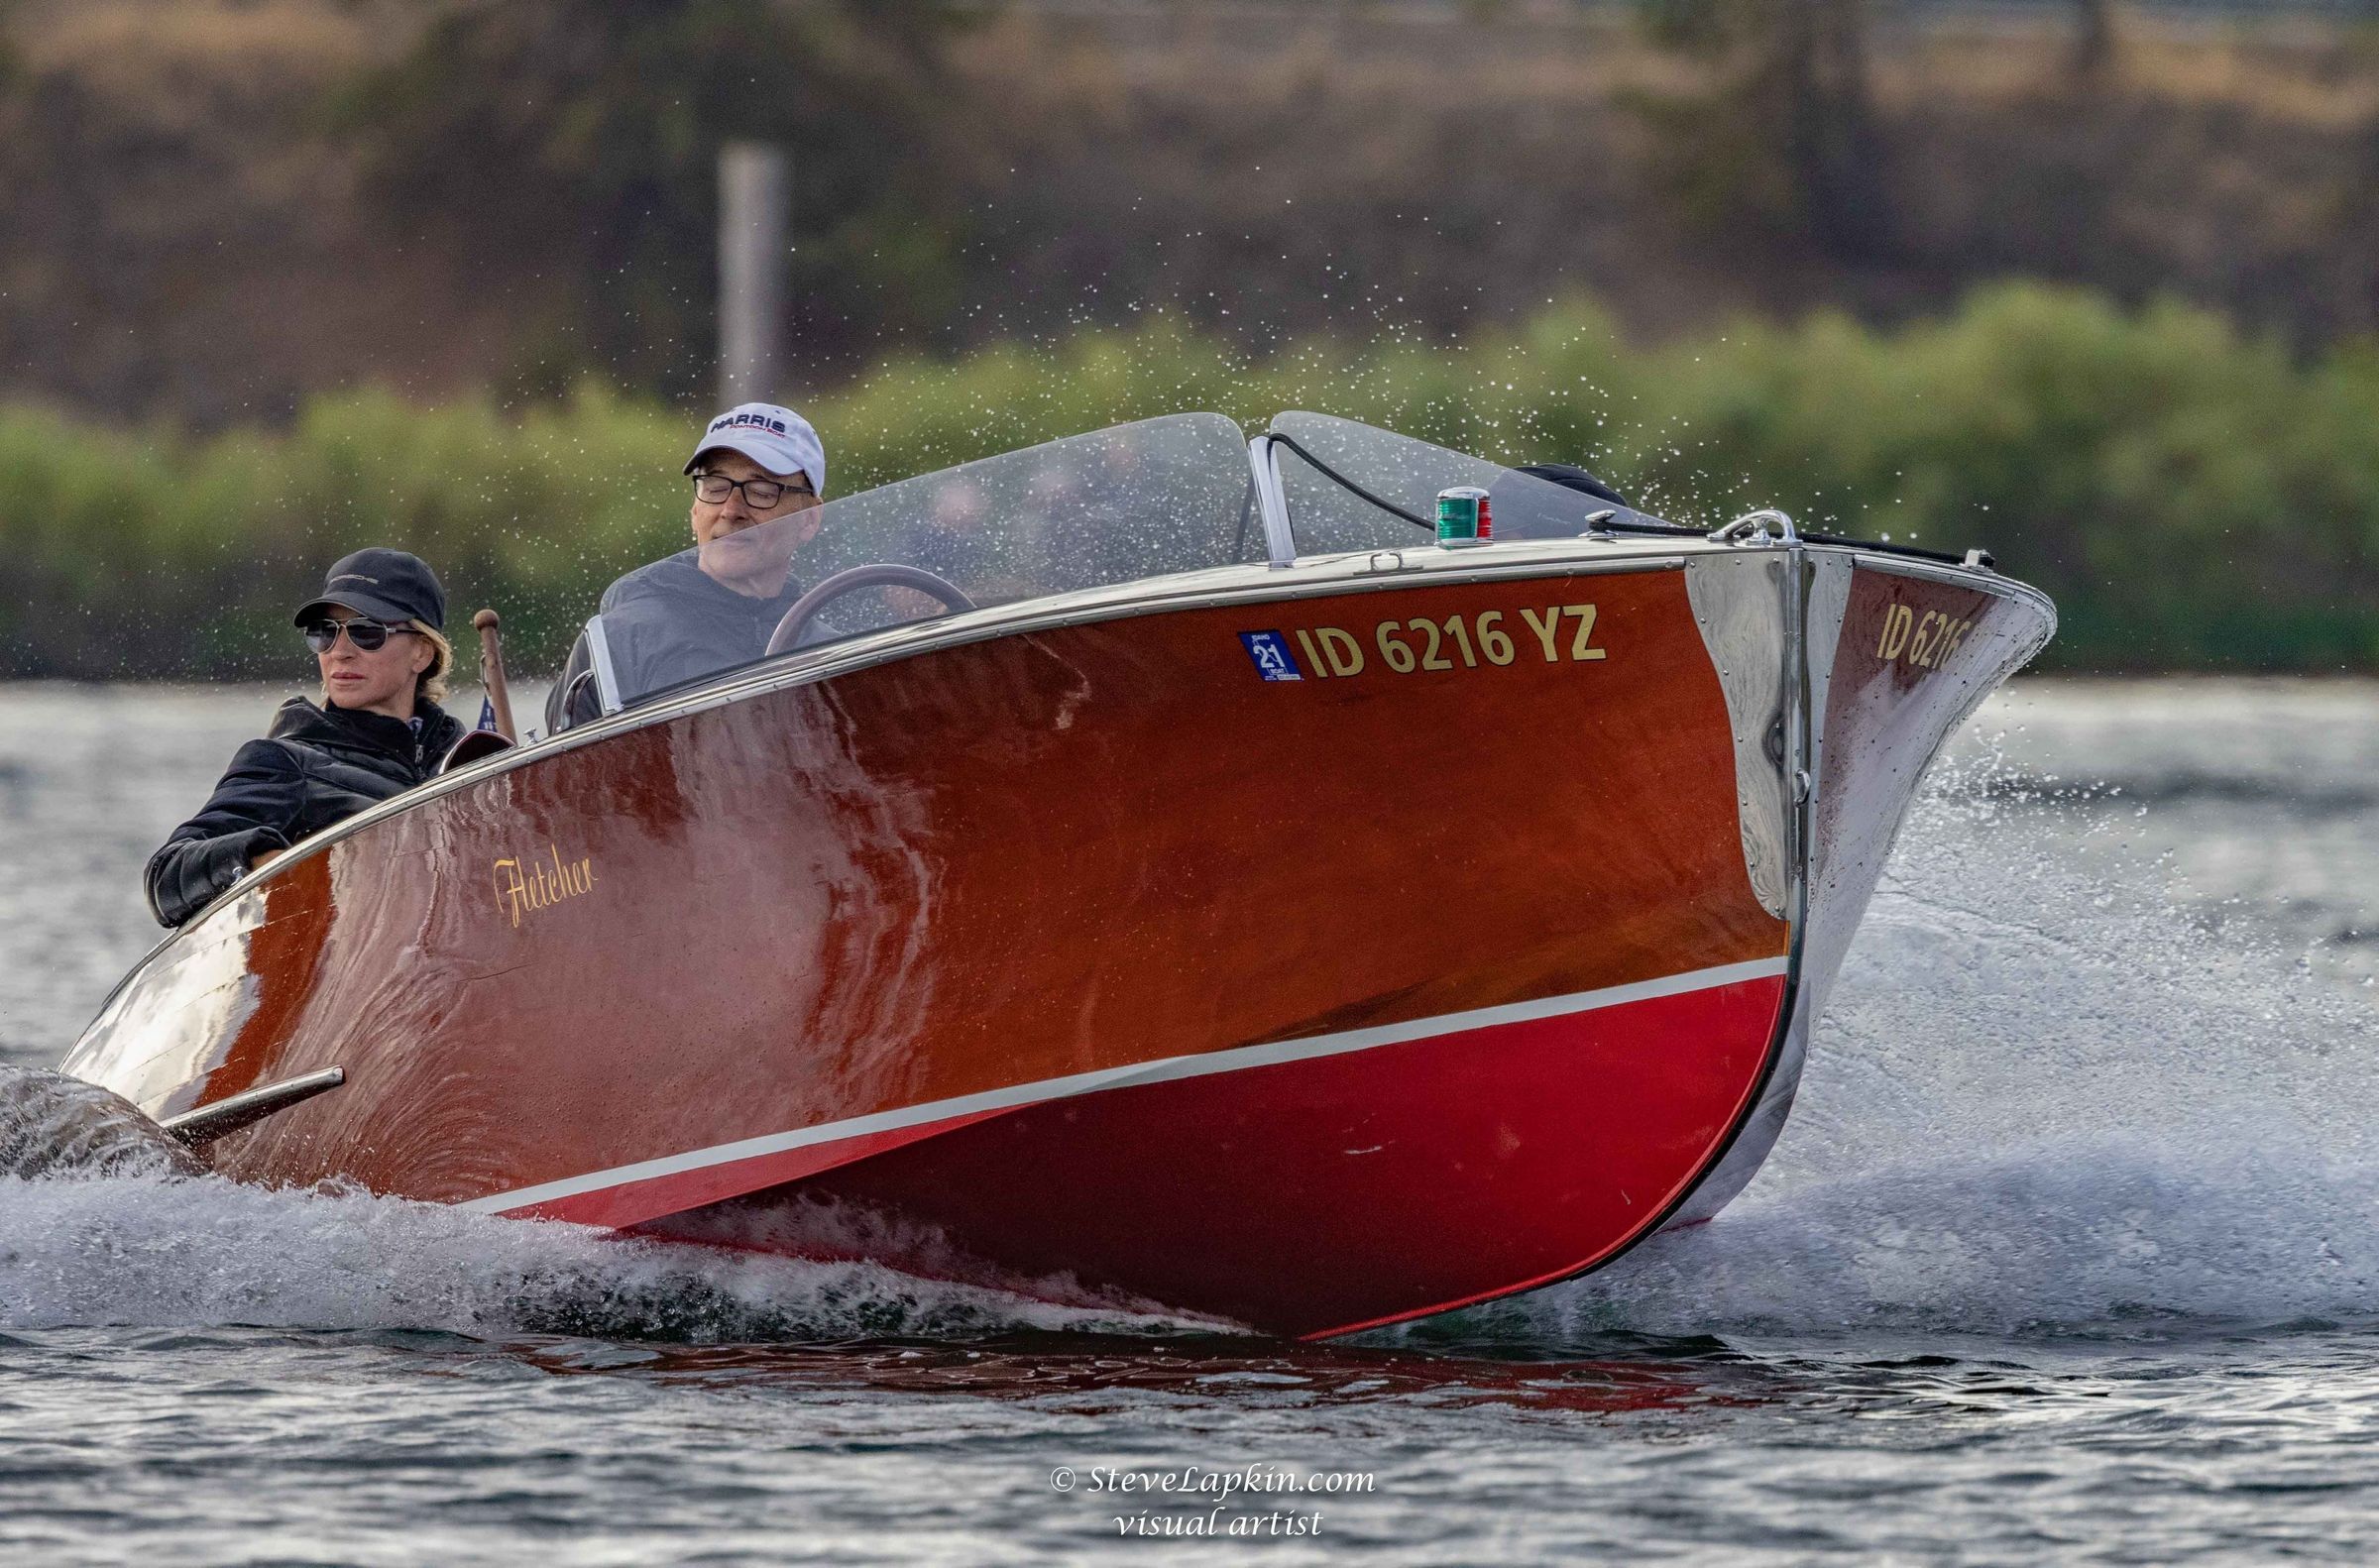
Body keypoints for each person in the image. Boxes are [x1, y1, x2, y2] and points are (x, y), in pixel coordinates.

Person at [144, 549, 467, 929]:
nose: (340, 652)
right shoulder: (283, 763)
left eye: (366, 632)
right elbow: (165, 876)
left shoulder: (472, 766)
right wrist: (261, 859)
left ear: (422, 653)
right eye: (324, 632)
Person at [587, 401, 829, 707]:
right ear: (694, 511)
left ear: (809, 519)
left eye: (761, 490)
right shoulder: (616, 642)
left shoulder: (833, 654)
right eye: (715, 487)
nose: (731, 510)